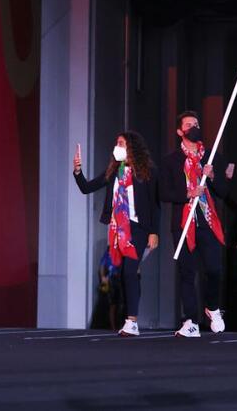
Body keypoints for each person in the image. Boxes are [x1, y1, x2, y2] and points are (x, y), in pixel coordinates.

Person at [73, 131, 159, 337]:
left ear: (131, 147)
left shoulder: (147, 172)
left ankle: (132, 321)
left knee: (130, 271)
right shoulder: (114, 171)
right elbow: (87, 187)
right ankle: (128, 317)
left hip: (137, 228)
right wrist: (78, 171)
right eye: (116, 143)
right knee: (121, 274)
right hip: (117, 229)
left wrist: (154, 232)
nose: (117, 147)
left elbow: (155, 205)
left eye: (121, 143)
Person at [159, 111, 233, 337]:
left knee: (214, 269)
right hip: (183, 223)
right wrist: (189, 192)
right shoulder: (171, 160)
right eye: (189, 124)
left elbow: (223, 192)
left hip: (207, 221)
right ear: (180, 131)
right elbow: (164, 192)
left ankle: (212, 308)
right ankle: (190, 320)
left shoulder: (211, 157)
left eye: (196, 123)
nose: (194, 127)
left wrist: (212, 177)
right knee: (187, 273)